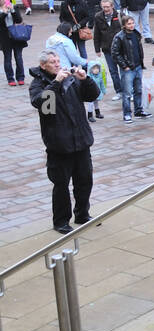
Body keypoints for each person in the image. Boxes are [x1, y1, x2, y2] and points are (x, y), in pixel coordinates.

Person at [30, 49, 99, 232]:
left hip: (81, 140)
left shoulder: (72, 79)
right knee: (61, 185)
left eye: (58, 60)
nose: (58, 64)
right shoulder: (38, 84)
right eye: (53, 62)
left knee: (85, 180)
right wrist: (56, 82)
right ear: (43, 66)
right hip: (59, 144)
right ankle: (61, 221)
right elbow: (46, 107)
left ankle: (82, 214)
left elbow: (92, 95)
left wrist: (85, 79)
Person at [110, 15, 151, 123]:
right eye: (129, 23)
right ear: (124, 25)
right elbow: (115, 53)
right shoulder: (119, 37)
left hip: (138, 67)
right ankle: (127, 114)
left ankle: (138, 110)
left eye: (133, 23)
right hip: (128, 69)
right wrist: (124, 66)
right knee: (127, 93)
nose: (132, 25)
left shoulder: (136, 34)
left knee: (138, 90)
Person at [1, 0, 27, 86]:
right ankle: (10, 78)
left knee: (19, 57)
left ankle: (20, 77)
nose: (5, 1)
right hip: (5, 38)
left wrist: (12, 11)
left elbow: (19, 20)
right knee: (7, 58)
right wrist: (4, 13)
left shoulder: (14, 7)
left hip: (16, 36)